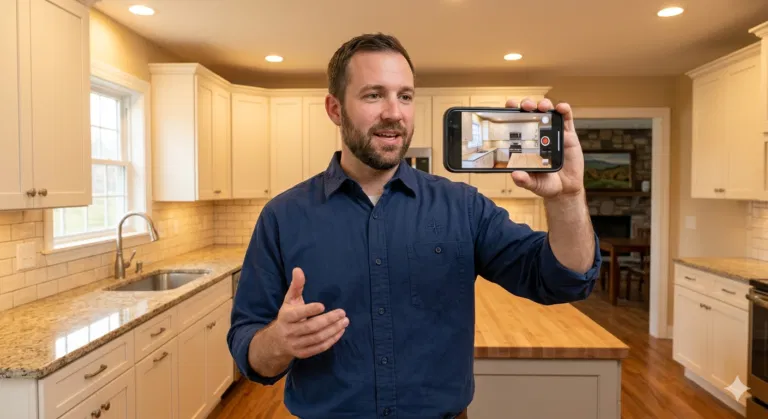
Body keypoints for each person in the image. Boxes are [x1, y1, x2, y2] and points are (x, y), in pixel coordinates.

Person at [227, 33, 601, 419]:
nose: (394, 112)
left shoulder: (463, 207)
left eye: (405, 96)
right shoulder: (282, 216)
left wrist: (568, 197)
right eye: (374, 95)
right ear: (335, 109)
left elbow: (562, 278)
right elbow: (248, 347)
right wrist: (279, 341)